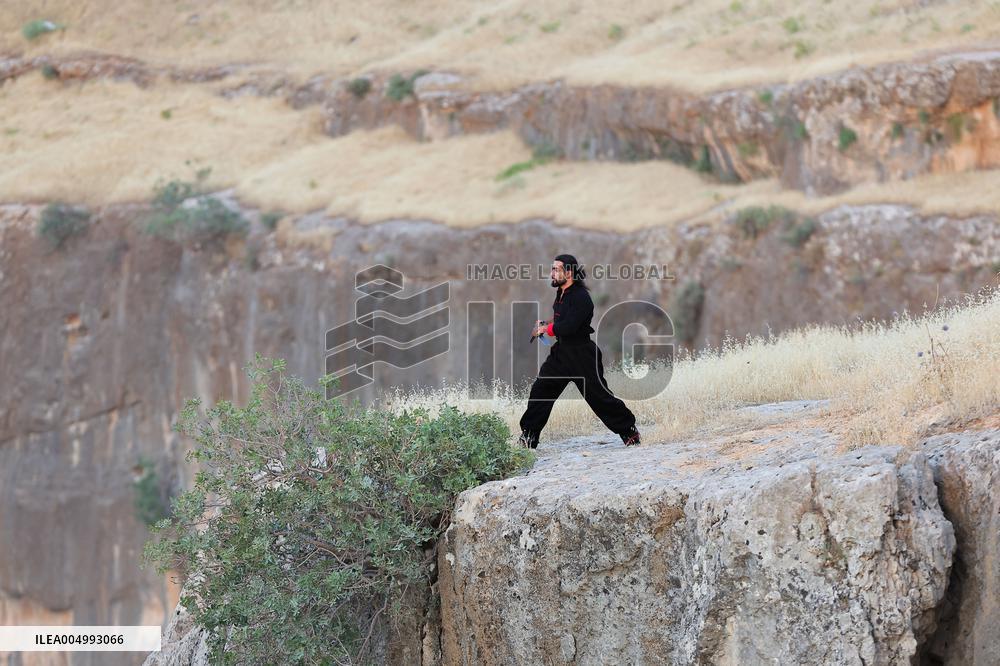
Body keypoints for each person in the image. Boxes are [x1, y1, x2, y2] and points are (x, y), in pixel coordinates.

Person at [517, 254, 642, 449]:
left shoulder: (581, 297)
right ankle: (528, 439)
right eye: (552, 269)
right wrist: (547, 325)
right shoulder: (561, 293)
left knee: (599, 397)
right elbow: (561, 323)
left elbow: (570, 326)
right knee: (541, 391)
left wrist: (547, 329)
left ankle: (629, 431)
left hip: (581, 354)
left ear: (569, 272)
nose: (552, 273)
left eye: (556, 269)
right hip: (561, 354)